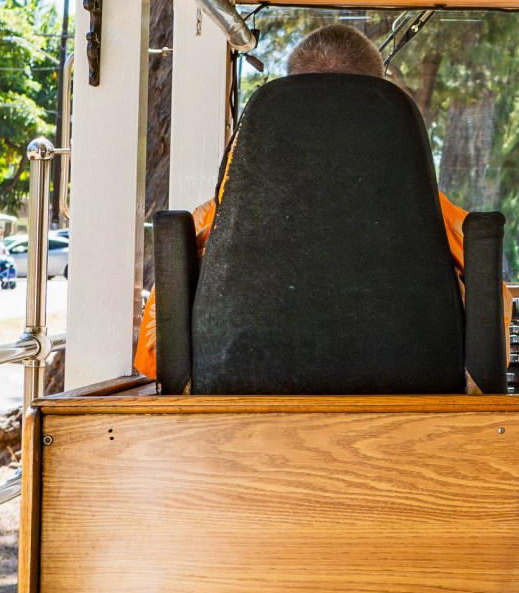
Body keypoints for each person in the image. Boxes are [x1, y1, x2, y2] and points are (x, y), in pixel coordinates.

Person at [130, 22, 470, 378]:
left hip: (242, 406)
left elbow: (156, 356)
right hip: (413, 401)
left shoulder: (225, 216)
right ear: (378, 108)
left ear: (289, 105)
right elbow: (492, 337)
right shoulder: (432, 215)